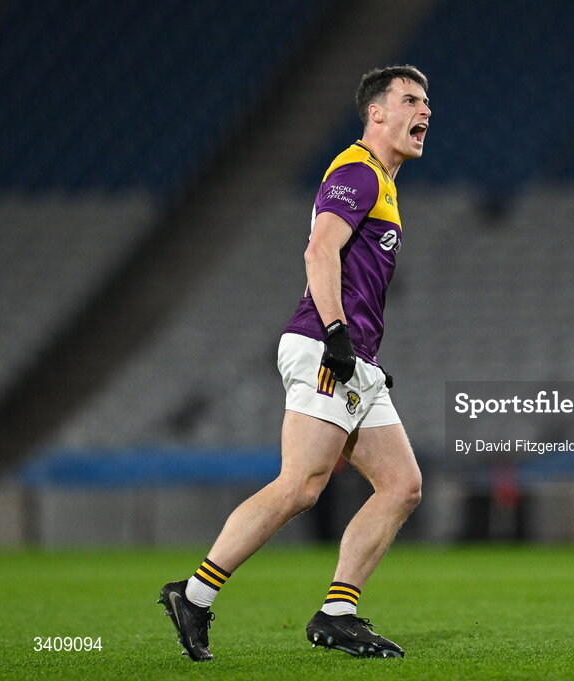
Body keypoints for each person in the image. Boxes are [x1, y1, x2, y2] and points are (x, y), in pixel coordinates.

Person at [158, 65, 431, 661]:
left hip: (353, 357)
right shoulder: (358, 170)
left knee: (402, 485)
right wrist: (337, 335)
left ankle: (338, 612)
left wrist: (363, 356)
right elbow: (319, 249)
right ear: (376, 114)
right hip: (325, 347)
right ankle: (194, 596)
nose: (425, 111)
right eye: (410, 99)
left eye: (427, 101)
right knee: (301, 486)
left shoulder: (382, 181)